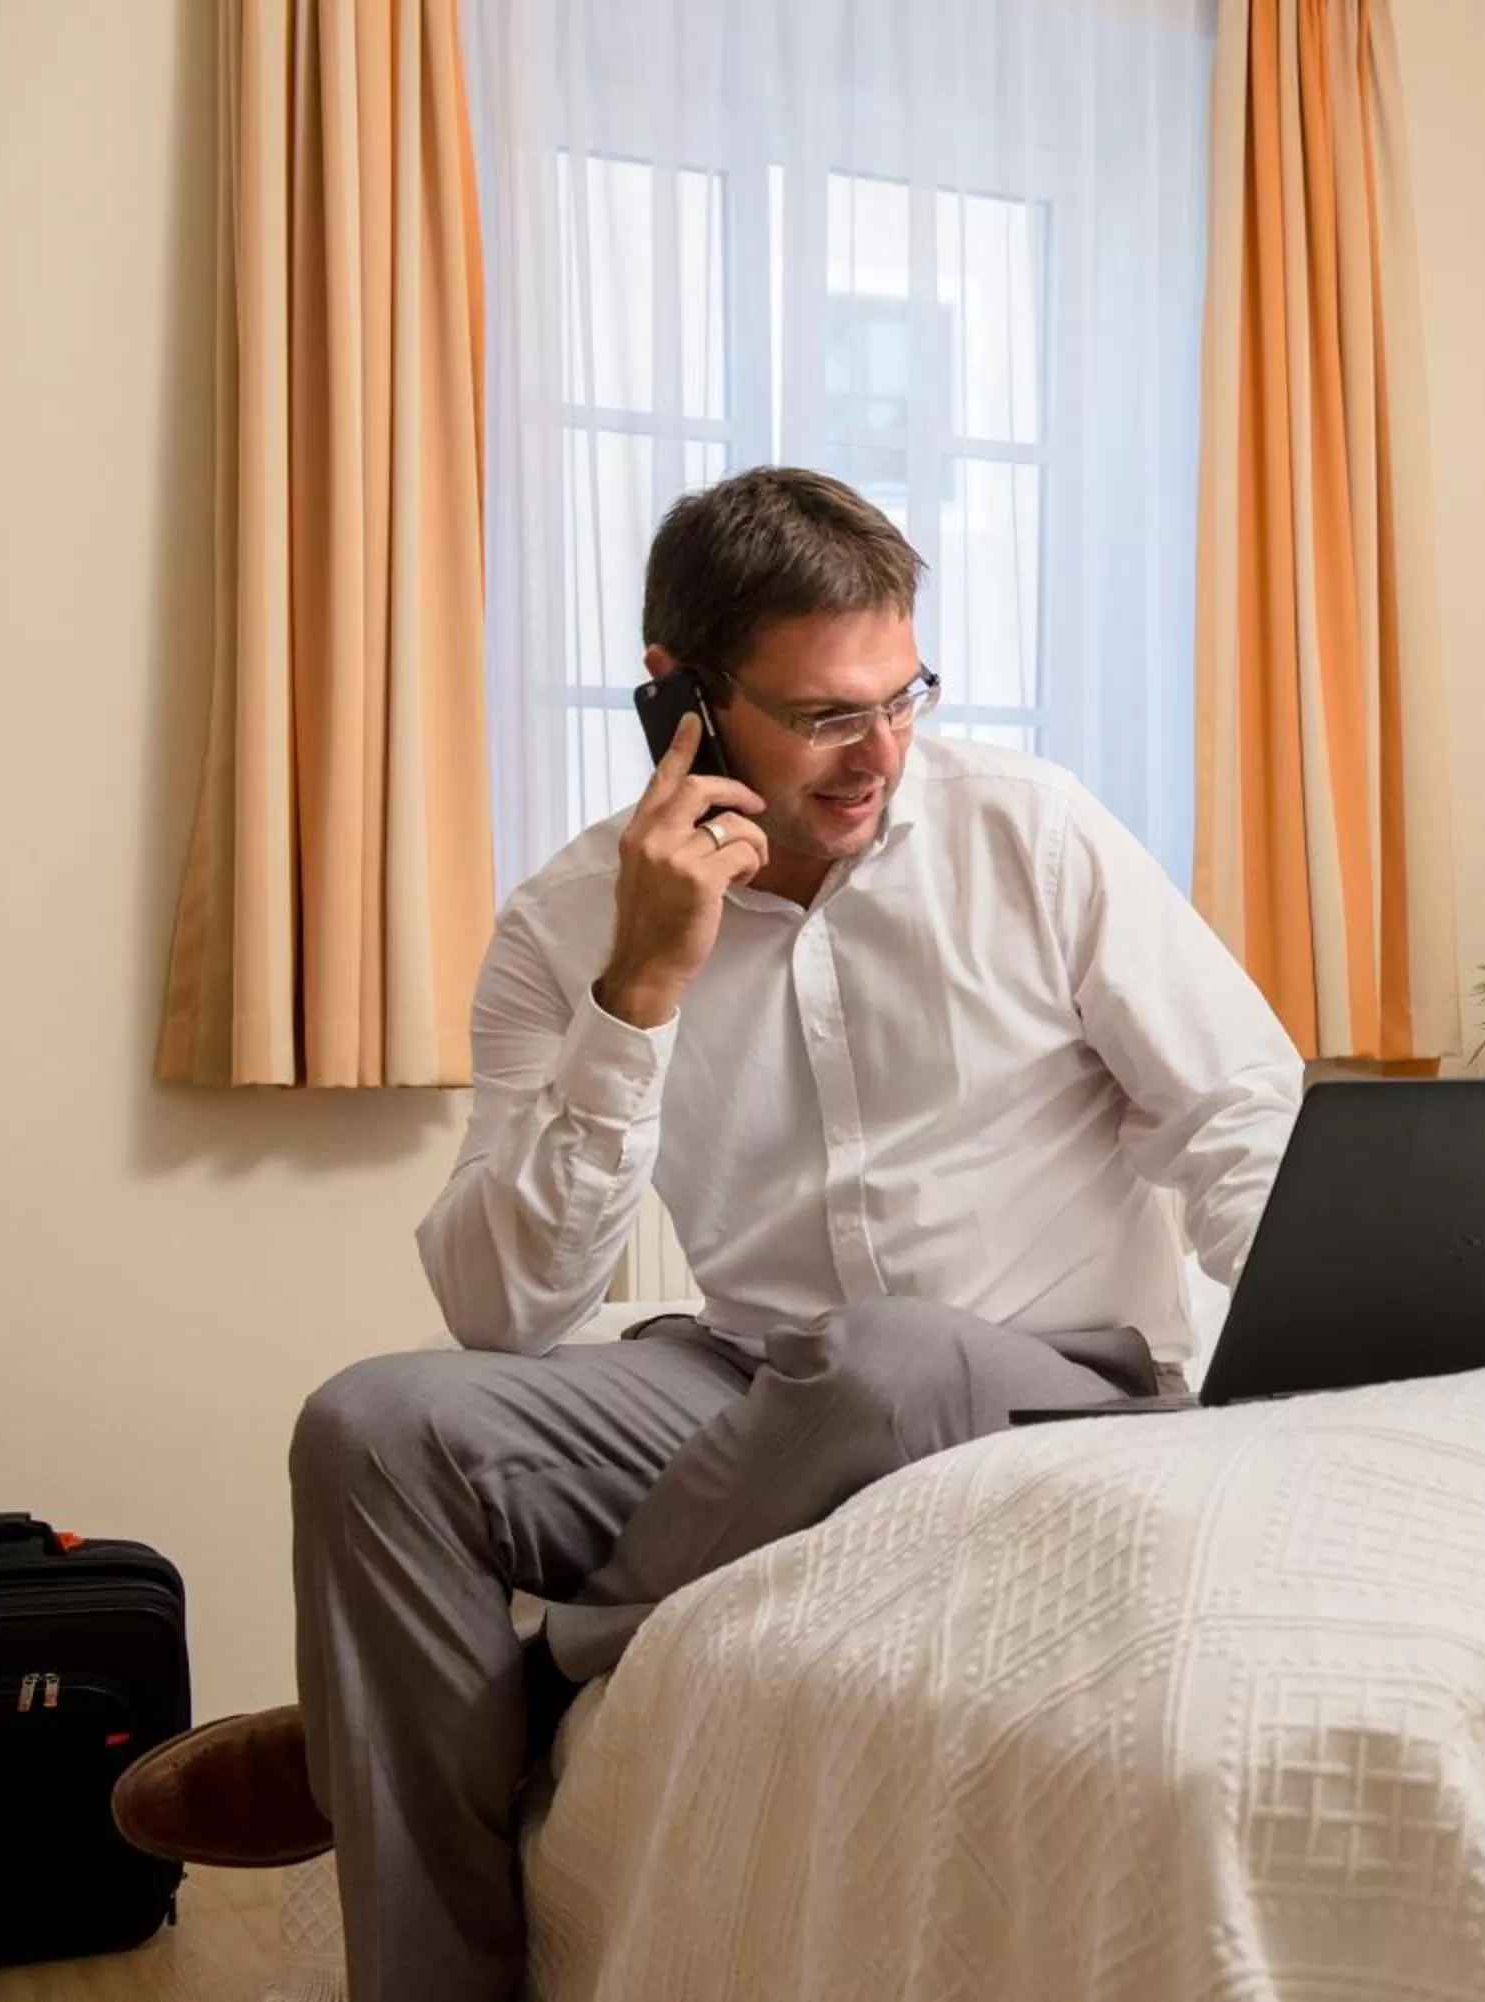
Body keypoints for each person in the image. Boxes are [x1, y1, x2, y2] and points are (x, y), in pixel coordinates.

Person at [110, 468, 1302, 2002]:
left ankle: (524, 1697)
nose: (883, 752)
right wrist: (642, 994)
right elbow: (504, 1308)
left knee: (880, 1354)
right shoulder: (567, 923)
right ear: (676, 698)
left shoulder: (1034, 831)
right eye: (824, 715)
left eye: (904, 693)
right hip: (756, 1380)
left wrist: (1331, 1344)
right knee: (376, 1422)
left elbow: (1235, 1117)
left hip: (1052, 1367)